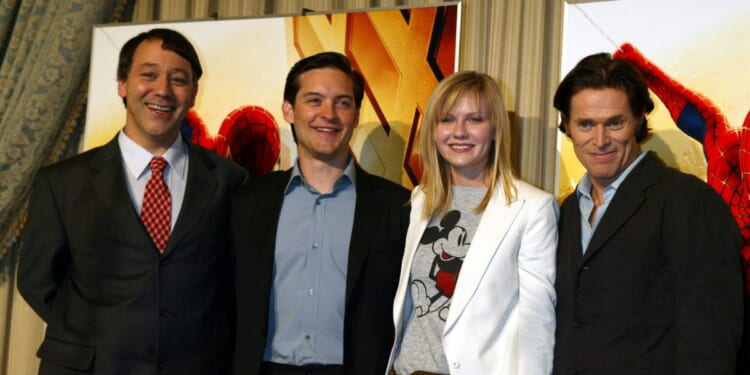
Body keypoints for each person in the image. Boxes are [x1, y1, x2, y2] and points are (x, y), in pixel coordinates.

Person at [18, 28, 248, 374]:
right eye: (149, 74)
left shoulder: (230, 180)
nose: (163, 90)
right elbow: (38, 282)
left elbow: (234, 286)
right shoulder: (62, 182)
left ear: (194, 93)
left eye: (178, 79)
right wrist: (99, 334)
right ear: (122, 84)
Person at [553, 52, 744, 374]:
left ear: (640, 118)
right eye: (585, 124)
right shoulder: (565, 211)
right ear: (568, 127)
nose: (600, 141)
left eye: (615, 122)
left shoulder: (691, 202)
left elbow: (711, 340)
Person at [231, 51, 410, 375]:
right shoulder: (247, 203)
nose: (328, 114)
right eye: (314, 100)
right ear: (289, 110)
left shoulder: (398, 207)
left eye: (342, 103)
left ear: (356, 115)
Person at [386, 71, 558, 374]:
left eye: (475, 119)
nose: (459, 131)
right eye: (447, 119)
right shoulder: (422, 199)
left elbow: (537, 325)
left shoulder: (532, 208)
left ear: (495, 129)